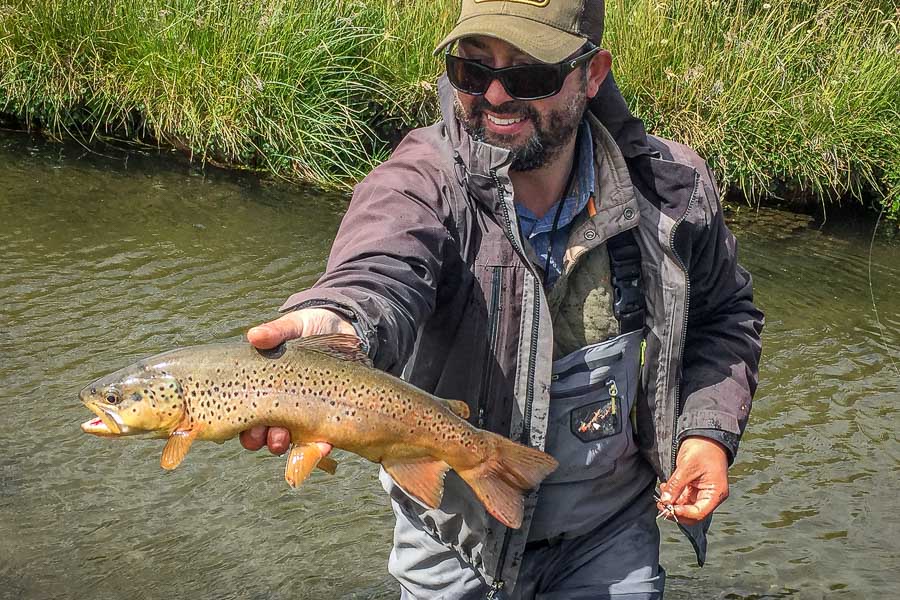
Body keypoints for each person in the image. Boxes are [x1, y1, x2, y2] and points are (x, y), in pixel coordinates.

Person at [241, 0, 764, 597]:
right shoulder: (415, 183)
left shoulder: (668, 190)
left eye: (529, 75)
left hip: (608, 537)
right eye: (472, 68)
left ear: (592, 75)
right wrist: (340, 321)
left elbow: (724, 318)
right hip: (451, 540)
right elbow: (378, 270)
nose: (493, 96)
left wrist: (706, 433)